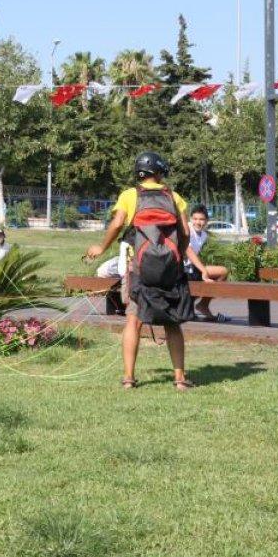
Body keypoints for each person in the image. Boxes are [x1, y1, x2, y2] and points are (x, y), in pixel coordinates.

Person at [85, 151, 210, 391]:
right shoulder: (174, 196)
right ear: (160, 172)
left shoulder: (129, 196)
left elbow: (118, 223)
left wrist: (101, 247)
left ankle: (129, 379)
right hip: (170, 268)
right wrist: (179, 254)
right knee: (173, 322)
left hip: (140, 268)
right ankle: (180, 379)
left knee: (134, 319)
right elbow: (184, 231)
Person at [185, 206, 231, 323]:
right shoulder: (187, 230)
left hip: (193, 268)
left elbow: (195, 255)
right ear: (190, 219)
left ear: (206, 221)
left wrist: (201, 269)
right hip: (182, 269)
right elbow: (188, 251)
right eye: (195, 219)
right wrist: (204, 271)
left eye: (201, 219)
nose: (197, 222)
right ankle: (192, 303)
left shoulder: (204, 235)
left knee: (223, 272)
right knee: (202, 277)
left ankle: (203, 304)